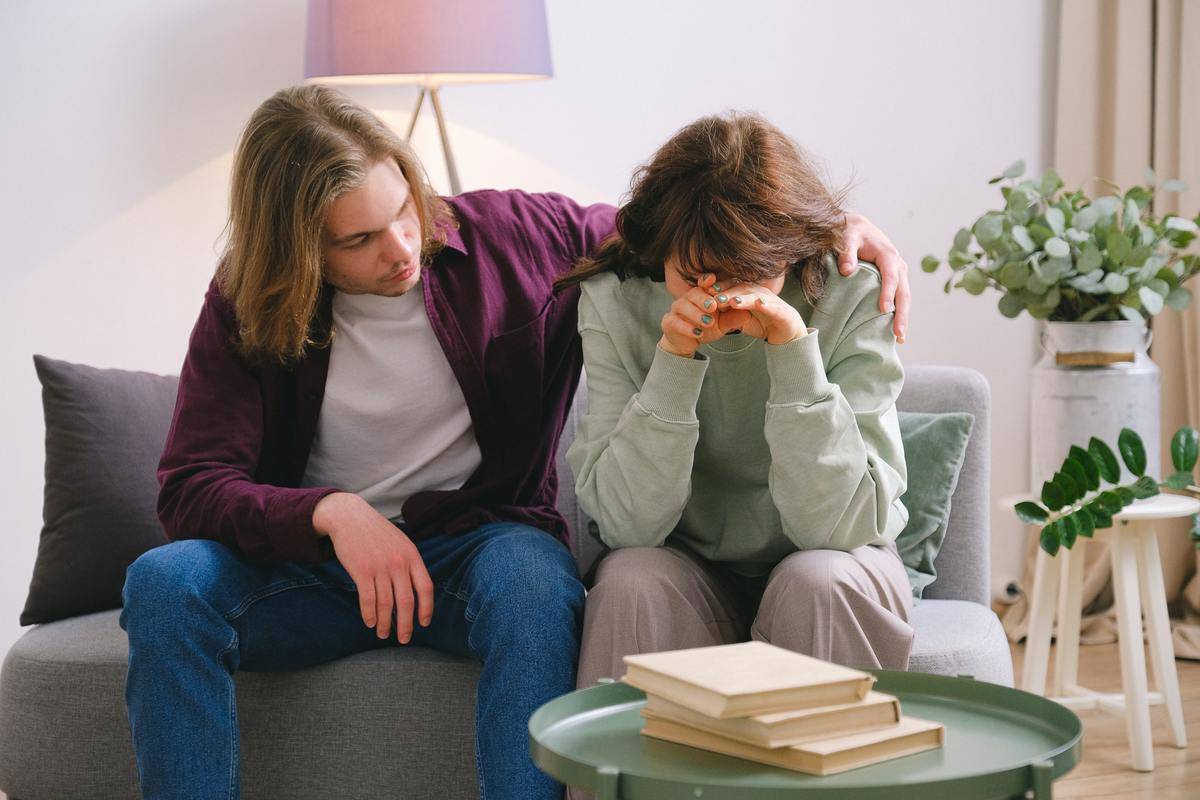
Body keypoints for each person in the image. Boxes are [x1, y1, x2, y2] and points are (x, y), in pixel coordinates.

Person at [118, 85, 910, 800]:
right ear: (295, 248)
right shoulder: (245, 303)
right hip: (320, 572)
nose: (399, 248)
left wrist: (824, 229)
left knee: (535, 585)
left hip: (477, 552)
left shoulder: (515, 235)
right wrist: (329, 513)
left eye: (404, 211)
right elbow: (190, 484)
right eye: (357, 241)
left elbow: (680, 231)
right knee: (165, 584)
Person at [558, 112, 915, 692]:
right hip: (688, 566)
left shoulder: (854, 290)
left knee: (818, 581)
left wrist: (795, 352)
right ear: (661, 249)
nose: (720, 295)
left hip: (838, 557)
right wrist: (673, 360)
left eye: (752, 273)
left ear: (790, 250)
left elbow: (845, 526)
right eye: (695, 273)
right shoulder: (614, 298)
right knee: (630, 580)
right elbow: (626, 525)